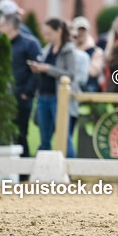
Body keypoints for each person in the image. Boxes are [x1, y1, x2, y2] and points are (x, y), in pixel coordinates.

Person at [30, 19, 84, 156]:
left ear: (59, 31)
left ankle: (71, 171)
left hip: (59, 98)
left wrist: (48, 69)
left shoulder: (68, 50)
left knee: (64, 137)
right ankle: (43, 171)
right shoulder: (46, 50)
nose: (46, 37)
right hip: (43, 96)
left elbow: (71, 74)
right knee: (44, 138)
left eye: (49, 34)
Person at [0, 13, 42, 158]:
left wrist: (27, 93)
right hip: (3, 97)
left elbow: (35, 71)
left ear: (10, 26)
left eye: (1, 25)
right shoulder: (1, 43)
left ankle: (23, 171)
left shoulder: (30, 44)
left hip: (21, 96)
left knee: (21, 132)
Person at [71, 16, 105, 93]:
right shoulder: (69, 49)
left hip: (88, 89)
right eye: (78, 29)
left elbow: (94, 71)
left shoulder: (96, 51)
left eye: (83, 29)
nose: (80, 32)